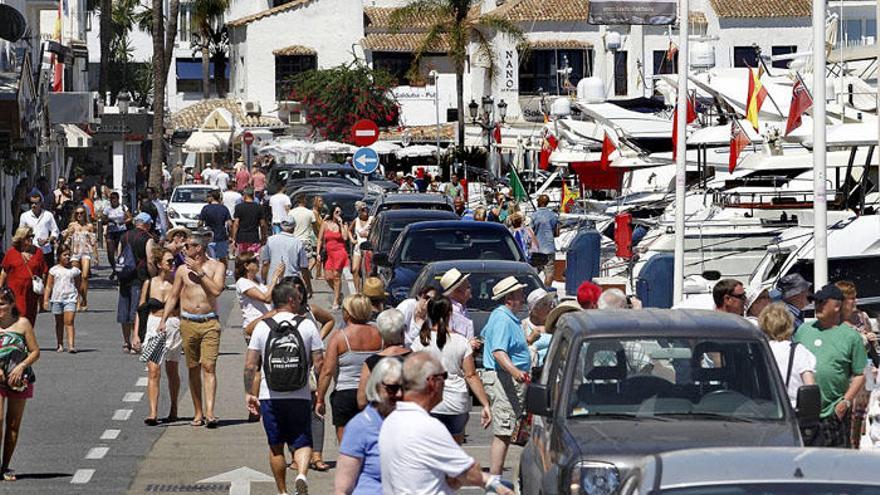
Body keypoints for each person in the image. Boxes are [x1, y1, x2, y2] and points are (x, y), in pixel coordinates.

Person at [379, 352, 513, 495]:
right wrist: (494, 484)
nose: (445, 382)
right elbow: (469, 472)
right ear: (432, 382)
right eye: (444, 376)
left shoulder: (390, 421)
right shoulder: (426, 427)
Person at [245, 278, 325, 495]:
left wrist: (249, 393)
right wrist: (320, 393)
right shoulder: (306, 325)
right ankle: (301, 474)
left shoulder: (262, 326)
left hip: (270, 394)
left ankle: (282, 491)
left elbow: (250, 365)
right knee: (303, 441)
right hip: (300, 394)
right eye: (298, 298)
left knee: (275, 446)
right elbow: (319, 363)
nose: (301, 302)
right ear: (291, 300)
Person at [158, 229, 226, 428]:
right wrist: (163, 319)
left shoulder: (217, 266)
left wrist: (200, 272)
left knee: (209, 366)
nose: (183, 249)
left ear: (199, 248)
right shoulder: (181, 271)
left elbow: (216, 291)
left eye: (187, 246)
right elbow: (173, 296)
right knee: (193, 367)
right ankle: (198, 412)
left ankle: (211, 412)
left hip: (210, 322)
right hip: (188, 322)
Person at [794, 284, 868, 447]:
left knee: (835, 465)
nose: (817, 306)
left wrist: (845, 403)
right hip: (804, 414)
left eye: (822, 302)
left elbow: (860, 374)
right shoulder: (803, 331)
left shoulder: (850, 337)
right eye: (816, 302)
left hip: (834, 413)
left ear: (836, 306)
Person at [411, 295, 492, 443]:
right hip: (456, 403)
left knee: (431, 449)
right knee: (454, 449)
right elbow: (471, 375)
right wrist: (485, 404)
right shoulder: (461, 342)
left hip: (429, 402)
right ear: (449, 314)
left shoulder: (420, 341)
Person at [315, 294, 382, 441]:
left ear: (349, 313)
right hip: (373, 392)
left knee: (347, 442)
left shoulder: (340, 337)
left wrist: (320, 398)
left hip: (346, 393)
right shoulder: (380, 333)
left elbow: (327, 371)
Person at [481, 276, 530, 476]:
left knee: (508, 430)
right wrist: (516, 372)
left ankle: (496, 478)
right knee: (503, 430)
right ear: (509, 298)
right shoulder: (502, 318)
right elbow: (498, 352)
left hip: (506, 378)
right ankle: (495, 480)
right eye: (519, 293)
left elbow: (486, 337)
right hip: (504, 378)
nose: (523, 296)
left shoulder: (504, 317)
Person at [336, 359, 404, 495]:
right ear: (377, 387)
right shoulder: (360, 427)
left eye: (404, 387)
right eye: (392, 388)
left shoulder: (407, 422)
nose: (399, 394)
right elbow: (342, 489)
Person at [135, 248, 183, 425]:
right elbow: (141, 309)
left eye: (174, 261)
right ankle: (153, 412)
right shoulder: (149, 283)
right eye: (169, 261)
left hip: (173, 325)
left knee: (172, 370)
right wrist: (136, 334)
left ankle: (174, 408)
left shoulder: (178, 283)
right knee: (154, 370)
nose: (173, 264)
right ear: (159, 264)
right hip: (154, 325)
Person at [0, 287, 40, 482]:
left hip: (19, 379)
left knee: (13, 424)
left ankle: (4, 466)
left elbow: (35, 352)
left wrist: (21, 366)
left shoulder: (22, 323)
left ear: (11, 304)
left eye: (2, 304)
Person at [835, 280, 879, 448]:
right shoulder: (836, 322)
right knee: (851, 412)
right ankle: (851, 446)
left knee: (867, 410)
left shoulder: (862, 317)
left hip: (868, 370)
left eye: (856, 297)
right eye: (851, 298)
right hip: (850, 374)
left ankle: (861, 443)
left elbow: (872, 347)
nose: (855, 301)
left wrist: (871, 338)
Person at [758, 302, 816, 407]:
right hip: (793, 411)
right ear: (789, 324)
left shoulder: (760, 350)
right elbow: (810, 387)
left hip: (764, 410)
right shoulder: (798, 351)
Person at [356, 309, 411, 409]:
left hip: (382, 417)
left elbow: (361, 401)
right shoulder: (415, 359)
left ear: (380, 334)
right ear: (402, 333)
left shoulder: (371, 362)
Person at [117, 213, 157, 354]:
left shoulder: (125, 236)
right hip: (139, 277)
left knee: (124, 309)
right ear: (146, 224)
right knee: (137, 309)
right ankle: (136, 340)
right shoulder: (148, 238)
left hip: (124, 277)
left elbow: (120, 256)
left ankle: (126, 341)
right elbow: (150, 259)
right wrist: (153, 276)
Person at [0, 228, 47, 326]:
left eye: (32, 236)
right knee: (18, 318)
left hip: (31, 294)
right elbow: (4, 273)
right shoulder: (11, 253)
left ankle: (26, 340)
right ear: (20, 238)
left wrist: (42, 295)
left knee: (29, 320)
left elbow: (43, 272)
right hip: (15, 294)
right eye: (28, 237)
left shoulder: (38, 252)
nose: (31, 239)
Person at [235, 252, 285, 342]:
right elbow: (266, 298)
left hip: (267, 323)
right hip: (254, 323)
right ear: (246, 266)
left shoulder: (257, 279)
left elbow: (269, 291)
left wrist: (279, 277)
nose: (258, 263)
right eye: (255, 261)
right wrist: (274, 277)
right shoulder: (242, 282)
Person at [42, 247, 81, 353]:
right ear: (59, 256)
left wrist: (79, 299)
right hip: (57, 299)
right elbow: (48, 286)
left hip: (70, 298)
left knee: (69, 321)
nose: (67, 257)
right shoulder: (54, 270)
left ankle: (71, 345)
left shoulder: (75, 271)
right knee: (59, 322)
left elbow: (78, 286)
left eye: (69, 255)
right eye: (64, 255)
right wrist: (45, 300)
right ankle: (60, 344)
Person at [62, 206, 97, 310]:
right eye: (77, 213)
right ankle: (77, 300)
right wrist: (69, 232)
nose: (79, 215)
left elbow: (93, 241)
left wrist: (95, 256)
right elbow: (64, 238)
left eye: (81, 213)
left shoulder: (89, 226)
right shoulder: (72, 225)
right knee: (76, 277)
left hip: (86, 252)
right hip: (75, 253)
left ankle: (84, 299)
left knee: (85, 276)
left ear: (84, 214)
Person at [260, 214, 309, 287]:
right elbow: (304, 267)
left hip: (273, 281)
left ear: (280, 226)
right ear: (294, 227)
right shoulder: (298, 243)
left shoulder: (270, 240)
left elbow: (265, 263)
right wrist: (308, 286)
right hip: (291, 281)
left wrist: (263, 280)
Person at [317, 204, 350, 310]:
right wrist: (317, 253)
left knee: (336, 277)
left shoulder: (344, 225)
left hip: (340, 253)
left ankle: (336, 301)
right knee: (328, 277)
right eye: (336, 212)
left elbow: (345, 238)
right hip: (328, 253)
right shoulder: (325, 224)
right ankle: (338, 293)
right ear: (332, 213)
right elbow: (320, 239)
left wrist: (340, 224)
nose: (338, 214)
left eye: (340, 212)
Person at [19, 194, 59, 268]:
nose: (33, 205)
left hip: (46, 250)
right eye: (31, 203)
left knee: (47, 273)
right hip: (31, 251)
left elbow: (55, 231)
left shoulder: (48, 215)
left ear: (41, 203)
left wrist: (48, 240)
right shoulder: (24, 216)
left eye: (36, 203)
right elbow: (21, 234)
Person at [523, 288, 556, 372]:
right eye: (545, 304)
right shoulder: (523, 326)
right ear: (534, 309)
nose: (550, 307)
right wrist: (529, 340)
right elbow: (518, 352)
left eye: (550, 303)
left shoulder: (555, 325)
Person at [290, 194, 316, 295]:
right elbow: (314, 227)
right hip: (305, 240)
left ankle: (298, 284)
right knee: (306, 265)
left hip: (293, 240)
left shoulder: (291, 212)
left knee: (295, 265)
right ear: (304, 201)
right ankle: (306, 285)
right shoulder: (310, 213)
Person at [530, 194, 559, 286]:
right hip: (549, 248)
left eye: (538, 200)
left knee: (534, 274)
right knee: (549, 273)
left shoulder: (534, 216)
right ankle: (546, 291)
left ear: (540, 202)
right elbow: (556, 233)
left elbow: (530, 233)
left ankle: (535, 290)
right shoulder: (553, 216)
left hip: (537, 249)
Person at [439, 268, 475, 342]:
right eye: (468, 287)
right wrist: (467, 344)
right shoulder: (447, 311)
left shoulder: (463, 309)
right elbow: (446, 339)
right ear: (457, 291)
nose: (471, 288)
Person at [232, 188, 268, 256]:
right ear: (253, 196)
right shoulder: (259, 207)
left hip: (241, 238)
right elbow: (262, 224)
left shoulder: (238, 207)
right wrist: (264, 237)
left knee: (241, 259)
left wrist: (234, 238)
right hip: (254, 238)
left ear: (245, 195)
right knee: (253, 259)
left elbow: (236, 224)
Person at [198, 190, 233, 261]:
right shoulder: (224, 208)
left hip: (209, 238)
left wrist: (200, 231)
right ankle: (223, 271)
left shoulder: (206, 208)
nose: (206, 199)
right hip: (222, 237)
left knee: (210, 259)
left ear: (212, 197)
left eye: (208, 197)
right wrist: (230, 235)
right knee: (222, 259)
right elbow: (230, 224)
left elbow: (200, 223)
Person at [103, 191, 130, 279]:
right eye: (111, 199)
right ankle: (114, 269)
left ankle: (119, 270)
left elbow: (130, 217)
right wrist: (109, 221)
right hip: (111, 231)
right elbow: (103, 219)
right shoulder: (107, 209)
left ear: (118, 199)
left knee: (120, 252)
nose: (112, 200)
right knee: (110, 253)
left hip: (121, 231)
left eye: (114, 198)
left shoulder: (123, 207)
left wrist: (123, 222)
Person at [350, 203, 372, 293]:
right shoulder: (356, 221)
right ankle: (357, 291)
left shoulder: (372, 220)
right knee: (355, 269)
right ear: (358, 212)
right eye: (362, 210)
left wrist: (369, 234)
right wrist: (352, 239)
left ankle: (366, 291)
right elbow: (349, 230)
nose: (365, 211)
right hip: (358, 248)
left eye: (366, 209)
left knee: (367, 271)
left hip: (368, 248)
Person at [311, 196, 326, 280]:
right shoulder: (314, 213)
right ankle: (318, 274)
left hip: (318, 235)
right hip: (316, 236)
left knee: (318, 255)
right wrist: (325, 220)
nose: (322, 203)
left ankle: (318, 273)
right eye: (320, 201)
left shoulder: (318, 212)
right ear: (315, 202)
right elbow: (318, 225)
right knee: (318, 254)